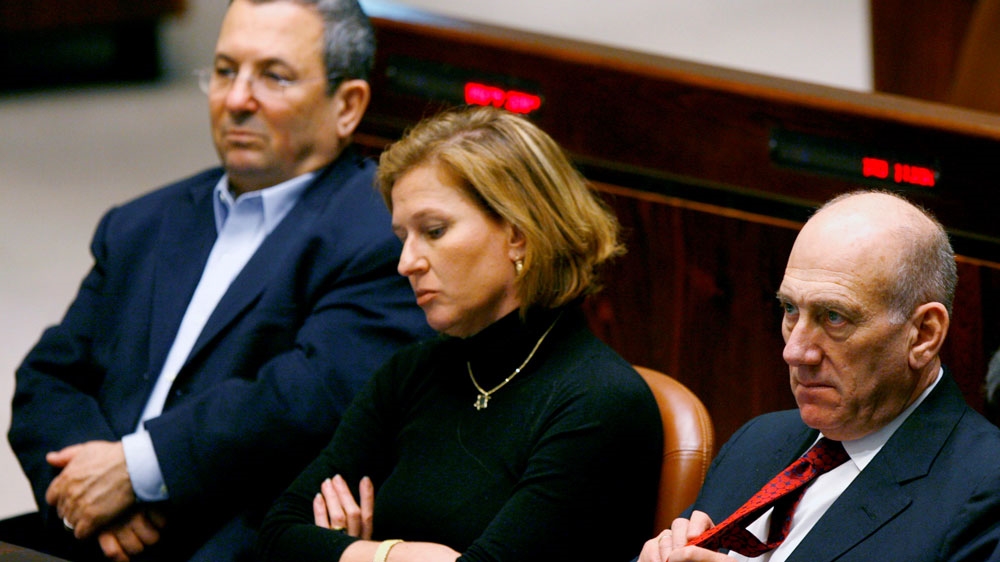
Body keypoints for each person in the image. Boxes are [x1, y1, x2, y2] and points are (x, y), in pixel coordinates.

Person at [4, 1, 433, 561]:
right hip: (88, 537)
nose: (236, 100)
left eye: (274, 77)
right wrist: (89, 493)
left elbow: (305, 401)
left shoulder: (383, 233)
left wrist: (136, 471)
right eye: (226, 71)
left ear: (347, 105)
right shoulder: (142, 222)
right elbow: (46, 378)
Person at [256, 105, 664, 562]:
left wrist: (342, 551)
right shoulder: (412, 373)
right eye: (403, 237)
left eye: (434, 231)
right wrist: (391, 556)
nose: (406, 263)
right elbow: (278, 535)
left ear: (519, 234)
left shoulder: (600, 401)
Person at [637, 190, 1000, 562]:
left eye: (834, 317)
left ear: (923, 334)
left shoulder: (985, 489)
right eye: (791, 309)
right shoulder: (757, 442)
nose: (795, 352)